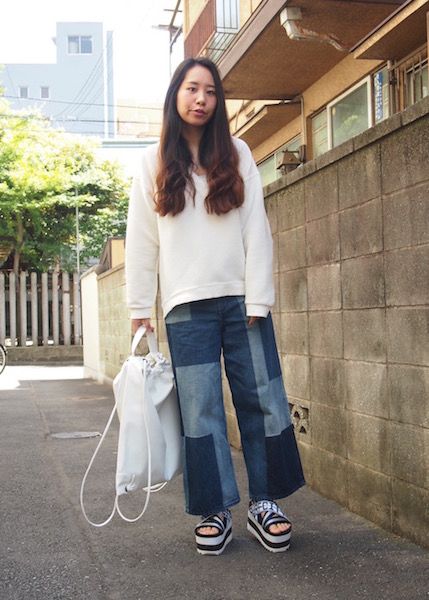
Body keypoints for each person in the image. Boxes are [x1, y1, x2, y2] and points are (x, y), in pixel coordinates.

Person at [125, 57, 305, 555]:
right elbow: (141, 239)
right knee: (199, 410)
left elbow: (255, 226)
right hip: (185, 307)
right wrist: (139, 307)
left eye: (210, 91)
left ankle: (265, 502)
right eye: (192, 88)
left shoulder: (238, 152)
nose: (201, 99)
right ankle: (214, 509)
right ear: (175, 96)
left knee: (263, 399)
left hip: (242, 301)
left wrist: (260, 295)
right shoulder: (152, 161)